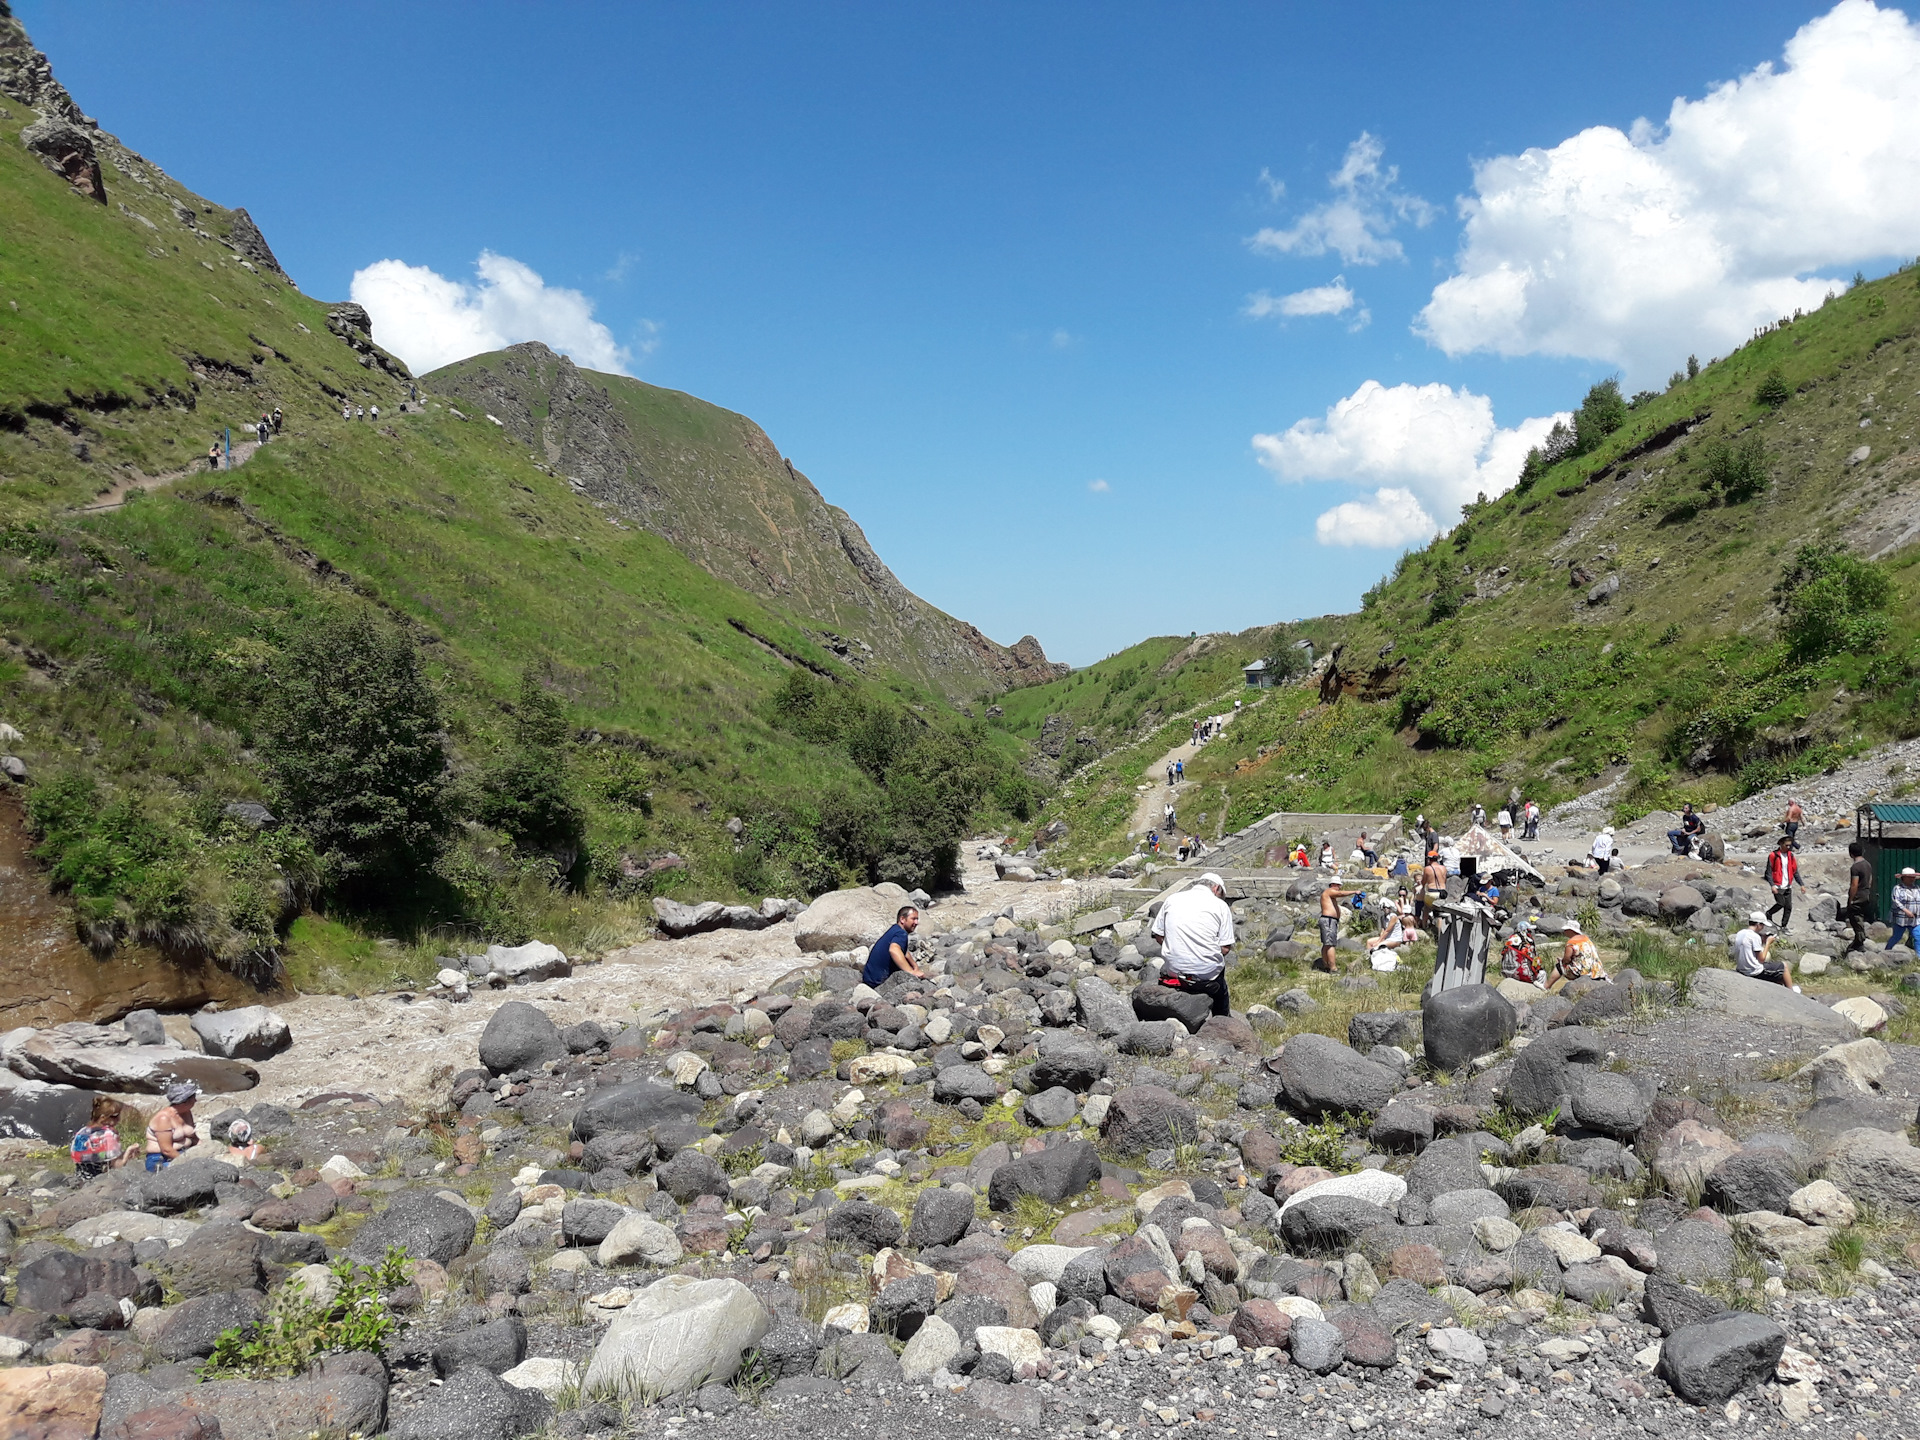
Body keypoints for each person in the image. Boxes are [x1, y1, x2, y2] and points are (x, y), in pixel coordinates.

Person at [1150, 873, 1236, 1014]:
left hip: (1175, 971)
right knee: (1222, 990)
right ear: (1216, 889)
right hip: (1207, 976)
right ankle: (1221, 1018)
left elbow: (1158, 935)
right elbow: (1225, 949)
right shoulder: (1220, 906)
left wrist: (1176, 947)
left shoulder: (1172, 899)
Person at [862, 905, 927, 986]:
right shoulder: (901, 933)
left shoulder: (895, 929)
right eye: (913, 919)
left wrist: (915, 966)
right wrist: (911, 972)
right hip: (878, 982)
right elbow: (894, 950)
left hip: (868, 978)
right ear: (902, 919)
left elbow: (904, 951)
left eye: (917, 919)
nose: (916, 922)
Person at [1732, 911, 1797, 990]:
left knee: (1777, 976)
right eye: (1762, 925)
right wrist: (1768, 943)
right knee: (1784, 966)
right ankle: (1791, 992)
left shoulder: (1740, 933)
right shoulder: (1755, 936)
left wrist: (1762, 941)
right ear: (1758, 924)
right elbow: (1762, 959)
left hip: (1741, 968)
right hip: (1753, 971)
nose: (1763, 927)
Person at [144, 1082, 201, 1171]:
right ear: (184, 1102)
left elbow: (194, 1138)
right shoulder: (163, 1119)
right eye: (193, 1098)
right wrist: (188, 1162)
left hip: (184, 1153)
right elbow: (166, 1149)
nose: (196, 1101)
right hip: (161, 1158)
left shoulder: (186, 1112)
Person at [70, 1097, 125, 1179]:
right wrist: (128, 1153)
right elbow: (117, 1165)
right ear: (103, 1118)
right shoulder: (109, 1135)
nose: (119, 1119)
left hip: (80, 1177)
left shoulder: (81, 1133)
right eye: (115, 1116)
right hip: (100, 1180)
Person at [1547, 920, 1607, 991]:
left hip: (1584, 971)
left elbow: (1567, 959)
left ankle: (1547, 986)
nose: (1564, 931)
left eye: (1566, 930)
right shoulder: (1586, 939)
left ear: (1571, 930)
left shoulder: (1571, 942)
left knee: (1559, 966)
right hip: (1596, 970)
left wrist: (1561, 960)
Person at [1764, 836, 1803, 929]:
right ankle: (1769, 913)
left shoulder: (1791, 856)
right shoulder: (1773, 855)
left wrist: (1801, 884)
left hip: (1788, 886)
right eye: (1787, 845)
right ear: (1781, 844)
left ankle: (1784, 926)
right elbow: (1768, 872)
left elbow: (1795, 871)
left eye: (1790, 845)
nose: (1789, 847)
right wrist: (1772, 885)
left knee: (1788, 907)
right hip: (1778, 885)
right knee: (1781, 903)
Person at [1845, 841, 1875, 953]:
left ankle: (1859, 942)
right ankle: (1859, 941)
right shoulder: (1867, 864)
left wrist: (1851, 899)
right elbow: (1870, 880)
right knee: (1860, 917)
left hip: (1858, 896)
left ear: (1851, 854)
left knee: (1855, 918)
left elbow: (1854, 884)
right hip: (1866, 894)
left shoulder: (1855, 867)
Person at [1318, 875, 1349, 972]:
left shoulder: (1330, 895)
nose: (1339, 887)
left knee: (1327, 944)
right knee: (1330, 944)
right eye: (1338, 885)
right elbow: (1340, 893)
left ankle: (1326, 965)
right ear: (1333, 884)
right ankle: (1333, 968)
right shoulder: (1329, 891)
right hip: (1329, 920)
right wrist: (1354, 892)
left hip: (1330, 920)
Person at [1501, 920, 1544, 987]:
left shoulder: (1510, 940)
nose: (1531, 933)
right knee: (1542, 973)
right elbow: (1531, 959)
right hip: (1521, 973)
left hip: (1506, 971)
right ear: (1524, 931)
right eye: (1529, 930)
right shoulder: (1525, 943)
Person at [1890, 867, 1920, 952]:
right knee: (1897, 936)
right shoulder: (1898, 888)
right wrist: (1906, 911)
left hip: (1915, 919)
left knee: (1918, 936)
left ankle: (1918, 957)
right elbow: (1896, 901)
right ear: (1904, 878)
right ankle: (1887, 951)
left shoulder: (1917, 888)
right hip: (1901, 919)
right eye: (1910, 877)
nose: (1912, 879)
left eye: (1913, 877)